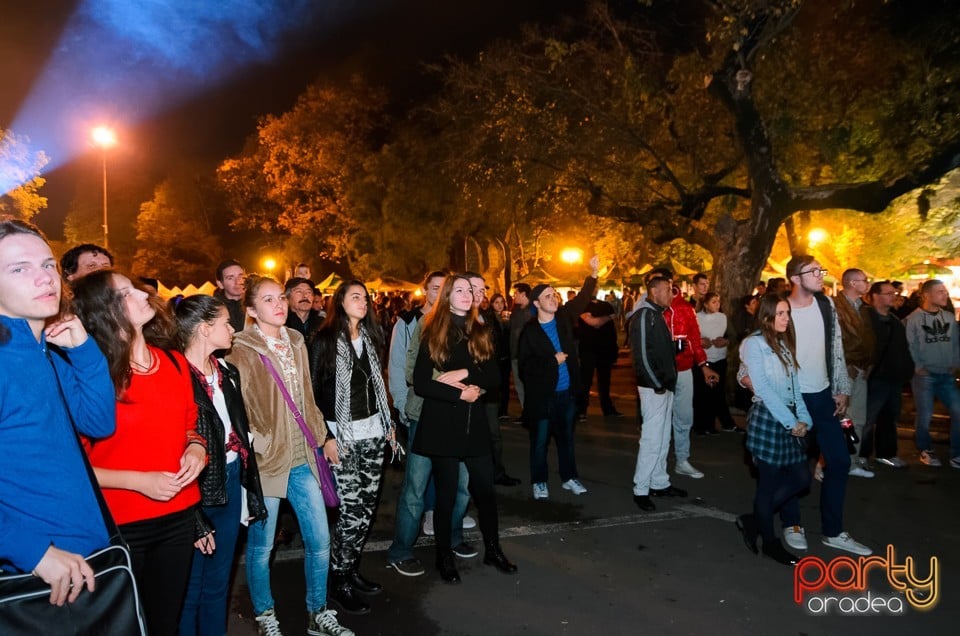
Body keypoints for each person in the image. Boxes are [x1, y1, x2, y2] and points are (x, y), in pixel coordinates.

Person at [71, 270, 207, 636]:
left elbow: (190, 426)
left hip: (179, 516)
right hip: (119, 524)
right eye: (126, 293)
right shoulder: (91, 374)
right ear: (105, 311)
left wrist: (196, 448)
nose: (144, 294)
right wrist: (137, 481)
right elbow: (71, 463)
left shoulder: (174, 362)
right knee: (124, 625)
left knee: (166, 622)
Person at [226, 275, 353, 636]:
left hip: (304, 457)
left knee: (319, 540)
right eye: (267, 300)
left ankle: (318, 612)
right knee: (262, 545)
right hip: (267, 462)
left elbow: (308, 398)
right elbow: (238, 407)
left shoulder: (296, 339)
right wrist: (259, 445)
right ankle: (266, 615)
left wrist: (324, 436)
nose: (279, 304)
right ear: (251, 310)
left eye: (279, 297)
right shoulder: (241, 347)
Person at [0, 218, 116, 606]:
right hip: (36, 577)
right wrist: (30, 551)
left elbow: (99, 422)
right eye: (19, 268)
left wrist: (83, 350)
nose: (44, 277)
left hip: (85, 560)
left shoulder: (47, 352)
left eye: (48, 264)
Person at [412, 275, 516, 583]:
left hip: (475, 426)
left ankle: (493, 549)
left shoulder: (480, 330)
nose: (466, 294)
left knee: (485, 491)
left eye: (470, 290)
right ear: (446, 297)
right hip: (444, 424)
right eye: (459, 290)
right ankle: (444, 556)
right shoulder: (433, 331)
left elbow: (496, 376)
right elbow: (420, 383)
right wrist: (461, 392)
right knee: (445, 495)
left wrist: (466, 371)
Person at [174, 295, 268, 636]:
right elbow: (171, 448)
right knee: (190, 588)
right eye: (226, 323)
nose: (233, 329)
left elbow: (238, 433)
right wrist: (194, 516)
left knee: (218, 582)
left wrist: (248, 488)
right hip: (192, 491)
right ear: (203, 329)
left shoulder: (228, 372)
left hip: (228, 481)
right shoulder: (175, 378)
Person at [309, 281, 396, 615]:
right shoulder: (325, 341)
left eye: (366, 297)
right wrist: (325, 438)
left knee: (368, 508)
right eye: (355, 296)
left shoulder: (374, 338)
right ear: (340, 302)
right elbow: (313, 392)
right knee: (351, 511)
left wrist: (388, 424)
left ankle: (350, 569)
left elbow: (377, 384)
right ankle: (337, 580)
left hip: (373, 430)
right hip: (340, 436)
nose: (363, 301)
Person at [777, 255, 869, 556]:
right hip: (793, 397)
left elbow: (837, 348)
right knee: (794, 465)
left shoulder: (826, 305)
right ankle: (791, 523)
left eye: (821, 270)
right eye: (813, 271)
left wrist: (841, 388)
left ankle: (833, 531)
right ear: (794, 278)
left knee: (840, 461)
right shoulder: (781, 309)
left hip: (823, 395)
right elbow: (761, 346)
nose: (820, 275)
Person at [385, 272, 475, 577]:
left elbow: (483, 368)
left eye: (446, 288)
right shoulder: (420, 323)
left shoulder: (468, 325)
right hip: (423, 414)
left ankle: (452, 538)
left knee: (460, 485)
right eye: (436, 289)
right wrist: (454, 384)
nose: (441, 293)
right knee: (416, 488)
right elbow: (410, 372)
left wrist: (468, 378)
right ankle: (401, 550)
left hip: (457, 416)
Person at [735, 295, 812, 566]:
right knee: (767, 486)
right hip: (769, 419)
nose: (786, 318)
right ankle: (770, 542)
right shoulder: (754, 344)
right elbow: (763, 389)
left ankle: (754, 520)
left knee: (802, 477)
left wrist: (805, 419)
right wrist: (793, 423)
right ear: (766, 315)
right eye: (780, 313)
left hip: (788, 417)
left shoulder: (782, 343)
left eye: (787, 313)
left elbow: (795, 387)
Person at [518, 257, 599, 500]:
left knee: (566, 439)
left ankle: (569, 477)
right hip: (543, 397)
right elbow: (525, 368)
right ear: (536, 303)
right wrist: (552, 361)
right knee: (540, 442)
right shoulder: (530, 331)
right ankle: (539, 481)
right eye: (548, 297)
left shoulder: (563, 317)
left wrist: (593, 273)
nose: (554, 299)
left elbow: (583, 298)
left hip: (567, 394)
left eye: (555, 295)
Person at [628, 276, 685, 512]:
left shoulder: (656, 315)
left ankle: (659, 482)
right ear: (653, 291)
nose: (671, 294)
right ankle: (641, 488)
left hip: (664, 385)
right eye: (667, 290)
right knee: (652, 439)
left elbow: (655, 350)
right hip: (654, 388)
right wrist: (656, 383)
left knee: (663, 439)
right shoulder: (643, 315)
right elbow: (640, 355)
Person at [468, 272, 521, 487]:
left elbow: (494, 349)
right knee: (470, 437)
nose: (481, 295)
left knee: (494, 433)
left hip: (489, 386)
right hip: (468, 389)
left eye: (483, 291)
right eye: (476, 290)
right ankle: (473, 480)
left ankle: (497, 473)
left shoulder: (486, 317)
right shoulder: (458, 320)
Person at [904, 279, 960, 468]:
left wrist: (955, 363)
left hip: (946, 374)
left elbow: (955, 344)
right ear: (927, 295)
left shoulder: (949, 318)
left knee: (958, 411)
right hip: (924, 375)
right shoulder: (914, 319)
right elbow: (909, 346)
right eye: (940, 291)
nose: (945, 294)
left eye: (945, 291)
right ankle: (925, 449)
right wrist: (919, 367)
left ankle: (956, 453)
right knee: (925, 414)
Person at [861, 281, 913, 468]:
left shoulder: (894, 321)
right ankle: (861, 455)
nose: (894, 296)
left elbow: (903, 349)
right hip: (874, 378)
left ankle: (887, 453)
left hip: (894, 378)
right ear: (875, 296)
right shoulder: (865, 318)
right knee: (866, 418)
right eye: (888, 293)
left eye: (894, 292)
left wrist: (907, 371)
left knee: (889, 418)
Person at [834, 268, 876, 478]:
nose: (867, 283)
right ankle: (837, 461)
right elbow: (834, 341)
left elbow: (868, 339)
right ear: (851, 283)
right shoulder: (835, 307)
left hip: (861, 369)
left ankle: (851, 462)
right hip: (845, 369)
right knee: (842, 418)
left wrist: (868, 364)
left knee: (857, 418)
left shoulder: (863, 308)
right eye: (864, 280)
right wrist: (844, 365)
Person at [693, 292, 738, 433]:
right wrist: (700, 342)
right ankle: (701, 425)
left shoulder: (723, 318)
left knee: (717, 392)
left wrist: (726, 341)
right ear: (705, 304)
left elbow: (733, 336)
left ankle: (713, 424)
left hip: (720, 359)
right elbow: (691, 337)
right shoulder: (696, 317)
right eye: (713, 302)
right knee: (702, 393)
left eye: (718, 301)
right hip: (703, 361)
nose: (717, 304)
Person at [489, 293, 513, 419]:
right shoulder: (490, 318)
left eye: (501, 302)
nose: (499, 305)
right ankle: (495, 409)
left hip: (506, 356)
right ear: (492, 304)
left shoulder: (507, 317)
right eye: (496, 302)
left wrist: (508, 324)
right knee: (496, 383)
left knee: (505, 384)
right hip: (495, 356)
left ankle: (504, 411)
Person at [214, 259, 247, 333]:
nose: (238, 282)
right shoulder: (214, 310)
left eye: (241, 276)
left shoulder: (255, 304)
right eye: (230, 278)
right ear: (220, 284)